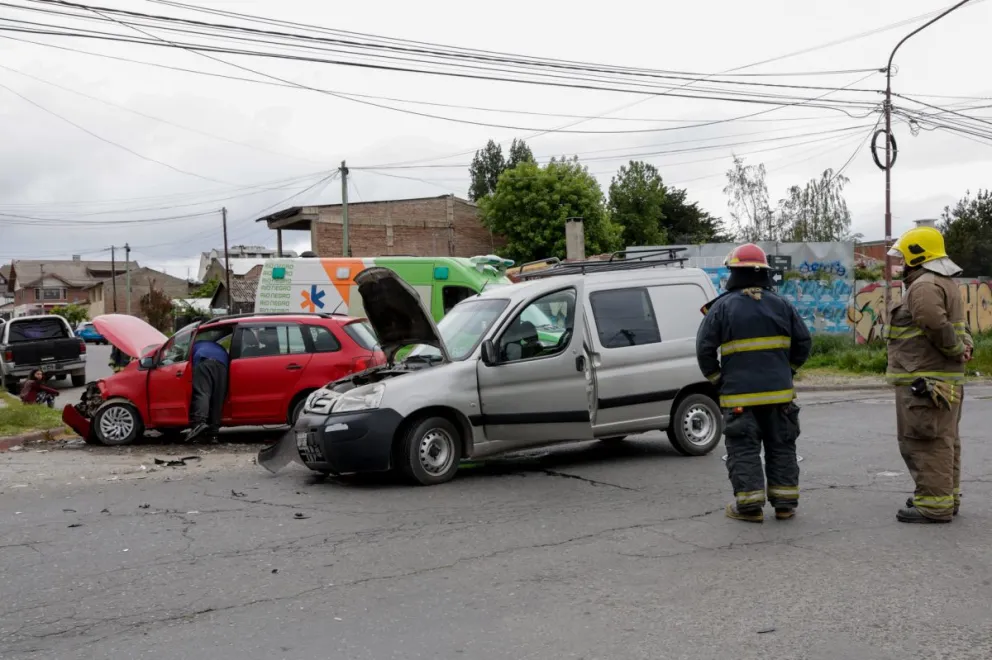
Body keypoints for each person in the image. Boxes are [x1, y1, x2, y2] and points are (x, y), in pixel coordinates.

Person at [696, 243, 812, 523]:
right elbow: (804, 342)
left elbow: (704, 349)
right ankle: (785, 505)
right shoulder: (783, 305)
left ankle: (749, 507)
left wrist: (718, 380)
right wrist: (788, 371)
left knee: (744, 448)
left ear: (734, 272)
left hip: (739, 398)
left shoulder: (722, 307)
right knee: (782, 446)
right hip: (780, 397)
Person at [885, 226, 972, 524]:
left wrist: (955, 348)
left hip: (925, 380)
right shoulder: (944, 283)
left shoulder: (923, 285)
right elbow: (957, 326)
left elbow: (935, 323)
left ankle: (934, 504)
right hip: (940, 379)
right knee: (944, 439)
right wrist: (962, 348)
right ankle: (944, 496)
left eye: (903, 257)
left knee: (924, 440)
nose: (900, 264)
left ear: (916, 255)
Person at [185, 336, 230, 443]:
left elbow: (190, 364)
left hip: (204, 362)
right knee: (217, 399)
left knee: (202, 393)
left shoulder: (194, 345)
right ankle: (213, 434)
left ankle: (199, 424)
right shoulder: (218, 346)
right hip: (222, 366)